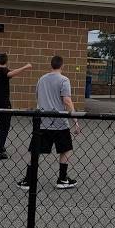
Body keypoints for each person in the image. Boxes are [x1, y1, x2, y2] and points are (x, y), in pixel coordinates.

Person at [17, 55, 81, 190]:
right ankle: (62, 179)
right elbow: (67, 101)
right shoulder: (64, 80)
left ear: (51, 65)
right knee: (66, 149)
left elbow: (38, 97)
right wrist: (75, 120)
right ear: (62, 66)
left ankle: (28, 180)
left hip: (42, 121)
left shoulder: (41, 79)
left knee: (36, 151)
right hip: (59, 122)